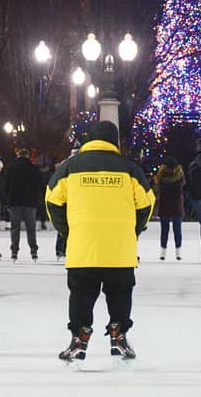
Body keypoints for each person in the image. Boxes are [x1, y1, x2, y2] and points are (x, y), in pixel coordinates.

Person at [48, 121, 154, 365]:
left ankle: (79, 338)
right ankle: (119, 334)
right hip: (119, 247)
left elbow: (52, 200)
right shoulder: (129, 168)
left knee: (81, 293)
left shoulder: (70, 167)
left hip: (83, 246)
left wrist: (68, 231)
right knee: (120, 291)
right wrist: (133, 230)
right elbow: (147, 203)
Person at [4, 149, 44, 262]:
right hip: (30, 202)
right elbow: (40, 184)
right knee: (31, 228)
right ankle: (33, 250)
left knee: (15, 228)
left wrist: (6, 201)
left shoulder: (11, 168)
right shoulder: (34, 168)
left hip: (15, 202)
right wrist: (39, 199)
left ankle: (14, 250)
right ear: (28, 156)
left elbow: (6, 185)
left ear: (18, 155)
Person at [154, 157, 185, 261]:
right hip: (176, 204)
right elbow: (183, 185)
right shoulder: (179, 174)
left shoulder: (161, 175)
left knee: (164, 230)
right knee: (177, 229)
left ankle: (163, 253)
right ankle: (178, 253)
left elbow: (157, 187)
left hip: (164, 204)